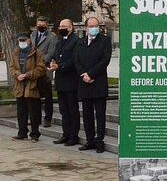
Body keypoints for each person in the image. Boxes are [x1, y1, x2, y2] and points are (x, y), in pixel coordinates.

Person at [74, 17, 112, 153]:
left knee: (100, 114)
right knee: (87, 114)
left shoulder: (105, 41)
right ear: (86, 27)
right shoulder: (80, 42)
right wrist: (84, 74)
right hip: (84, 83)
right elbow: (76, 60)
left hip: (98, 83)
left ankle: (99, 140)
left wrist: (91, 74)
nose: (93, 28)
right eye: (90, 26)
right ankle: (89, 140)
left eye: (95, 26)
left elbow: (105, 60)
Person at [10, 31, 46, 142]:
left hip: (32, 86)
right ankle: (22, 132)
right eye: (20, 40)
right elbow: (12, 67)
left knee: (34, 112)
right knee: (21, 111)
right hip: (20, 86)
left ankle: (35, 134)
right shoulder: (15, 53)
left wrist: (27, 75)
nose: (21, 42)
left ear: (29, 40)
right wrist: (17, 75)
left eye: (23, 40)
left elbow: (41, 69)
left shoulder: (37, 53)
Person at [49, 18, 80, 146]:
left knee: (72, 110)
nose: (61, 28)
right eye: (60, 26)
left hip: (71, 81)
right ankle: (65, 134)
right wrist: (53, 63)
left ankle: (74, 136)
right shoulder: (59, 41)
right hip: (61, 80)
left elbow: (74, 60)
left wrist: (60, 66)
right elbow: (57, 56)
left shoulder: (76, 41)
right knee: (63, 110)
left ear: (71, 27)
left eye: (64, 26)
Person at [30, 16, 57, 128]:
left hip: (45, 70)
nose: (40, 26)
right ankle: (35, 118)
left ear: (47, 24)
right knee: (34, 95)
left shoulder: (52, 37)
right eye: (38, 24)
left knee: (47, 96)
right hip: (32, 70)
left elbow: (50, 53)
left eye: (42, 24)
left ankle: (48, 118)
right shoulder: (33, 35)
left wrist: (39, 63)